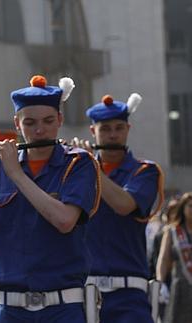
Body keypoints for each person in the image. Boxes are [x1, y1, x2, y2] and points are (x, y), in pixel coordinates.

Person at [0, 75, 101, 323]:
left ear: (59, 119)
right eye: (30, 123)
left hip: (62, 308)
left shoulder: (78, 163)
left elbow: (64, 221)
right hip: (9, 309)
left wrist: (16, 174)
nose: (40, 130)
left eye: (48, 121)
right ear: (17, 124)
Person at [71, 93, 164, 323]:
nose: (113, 135)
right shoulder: (75, 169)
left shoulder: (145, 171)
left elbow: (124, 205)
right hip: (82, 292)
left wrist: (91, 168)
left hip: (129, 295)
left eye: (119, 128)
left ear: (128, 129)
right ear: (93, 131)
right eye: (105, 129)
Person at [157, 192, 192, 323]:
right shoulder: (172, 231)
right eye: (190, 206)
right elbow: (164, 259)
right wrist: (160, 282)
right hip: (180, 287)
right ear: (183, 208)